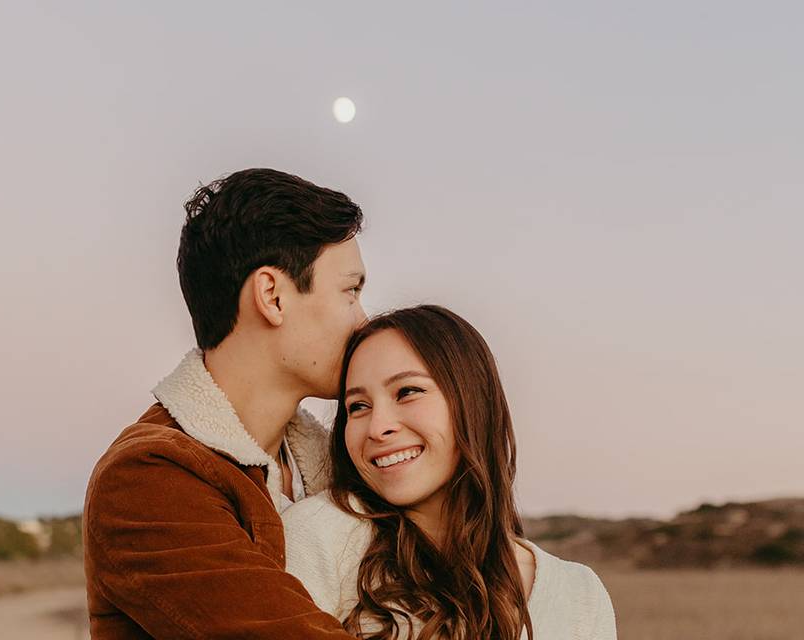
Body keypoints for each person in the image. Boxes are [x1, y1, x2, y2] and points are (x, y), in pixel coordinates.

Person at [83, 168, 367, 638]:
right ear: (272, 296)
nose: (364, 319)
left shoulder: (337, 467)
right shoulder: (147, 478)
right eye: (350, 291)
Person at [283, 305, 617, 639]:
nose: (377, 427)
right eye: (358, 406)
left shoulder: (580, 595)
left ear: (472, 401)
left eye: (407, 392)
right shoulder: (320, 537)